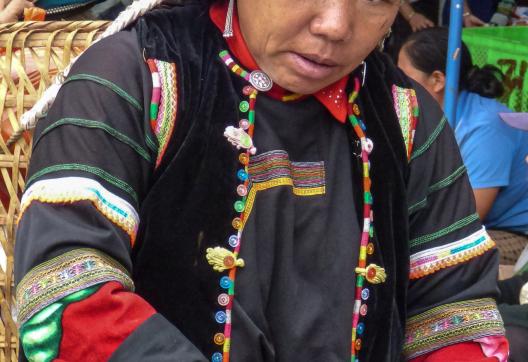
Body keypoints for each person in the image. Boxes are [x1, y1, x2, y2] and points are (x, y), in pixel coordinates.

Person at [15, 1, 508, 361]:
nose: (335, 25)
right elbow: (63, 295)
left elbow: (454, 317)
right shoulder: (134, 76)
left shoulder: (407, 117)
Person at [398, 27, 528, 235]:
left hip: (512, 232)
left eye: (404, 77)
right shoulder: (427, 116)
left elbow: (468, 219)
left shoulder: (485, 127)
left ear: (438, 80)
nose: (398, 86)